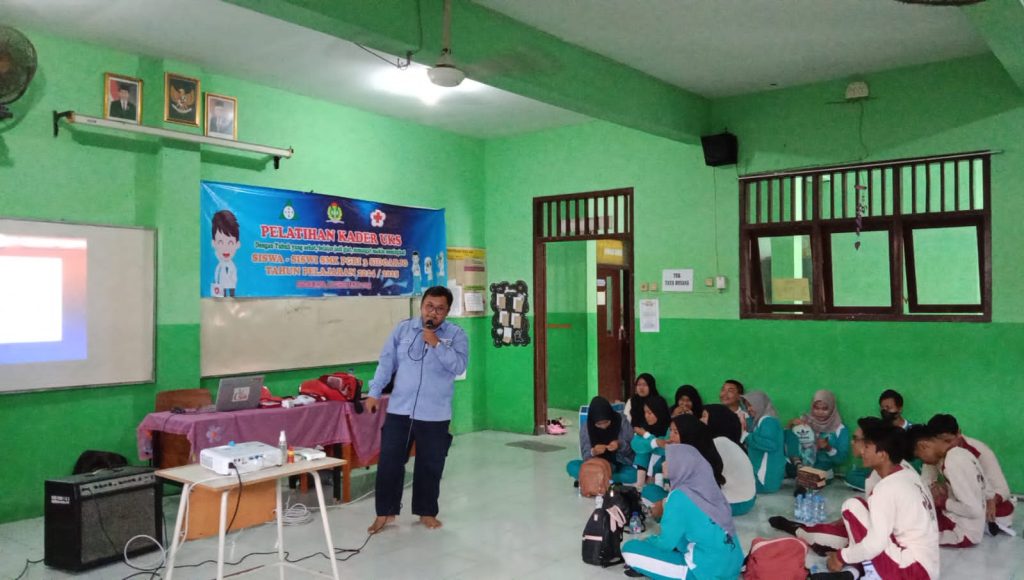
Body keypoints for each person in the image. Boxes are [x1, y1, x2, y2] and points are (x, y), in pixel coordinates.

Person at [364, 286, 469, 533]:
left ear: (447, 311)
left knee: (430, 464)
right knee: (389, 462)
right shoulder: (403, 330)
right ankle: (385, 513)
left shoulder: (456, 335)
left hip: (435, 413)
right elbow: (386, 363)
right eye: (429, 306)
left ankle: (426, 512)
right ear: (421, 306)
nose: (433, 312)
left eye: (440, 309)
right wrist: (374, 392)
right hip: (400, 410)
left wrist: (437, 344)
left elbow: (459, 366)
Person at [809, 418, 939, 580]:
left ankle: (868, 574)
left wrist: (841, 557)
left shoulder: (886, 488)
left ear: (882, 455)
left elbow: (875, 544)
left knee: (851, 506)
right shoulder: (908, 474)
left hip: (910, 571)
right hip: (929, 568)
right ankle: (856, 569)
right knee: (861, 508)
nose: (862, 451)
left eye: (867, 447)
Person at [622, 445, 744, 580]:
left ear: (682, 466)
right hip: (732, 566)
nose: (663, 464)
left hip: (704, 572)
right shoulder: (709, 488)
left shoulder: (679, 496)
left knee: (630, 548)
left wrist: (647, 541)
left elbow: (665, 543)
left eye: (669, 460)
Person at [926, 414, 1014, 535]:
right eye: (939, 442)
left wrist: (991, 500)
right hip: (955, 500)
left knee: (1004, 510)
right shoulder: (934, 450)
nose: (945, 446)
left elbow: (1003, 489)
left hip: (978, 501)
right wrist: (934, 488)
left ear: (959, 433)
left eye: (948, 441)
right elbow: (926, 480)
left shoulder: (980, 450)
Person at [908, 423, 985, 548]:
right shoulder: (959, 452)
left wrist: (943, 503)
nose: (923, 461)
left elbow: (973, 510)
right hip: (970, 524)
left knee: (909, 528)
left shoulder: (952, 462)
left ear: (923, 445)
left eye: (920, 457)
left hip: (962, 532)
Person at [642, 413, 724, 507]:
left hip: (697, 505)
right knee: (650, 491)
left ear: (688, 434)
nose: (671, 436)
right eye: (670, 430)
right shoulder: (689, 451)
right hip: (687, 499)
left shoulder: (693, 458)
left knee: (653, 497)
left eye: (676, 432)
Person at [845, 389, 914, 491]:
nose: (885, 411)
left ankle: (882, 487)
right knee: (852, 475)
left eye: (888, 408)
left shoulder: (912, 430)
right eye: (882, 408)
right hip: (880, 466)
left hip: (900, 468)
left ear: (899, 409)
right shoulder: (880, 427)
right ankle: (879, 486)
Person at [566, 396, 637, 485]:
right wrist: (593, 452)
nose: (603, 426)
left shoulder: (621, 421)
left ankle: (593, 478)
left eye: (606, 422)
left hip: (619, 464)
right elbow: (586, 455)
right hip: (596, 465)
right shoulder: (586, 427)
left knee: (633, 474)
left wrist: (620, 444)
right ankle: (607, 479)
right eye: (599, 424)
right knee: (571, 466)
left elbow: (633, 448)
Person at [785, 389, 851, 482]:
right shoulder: (804, 421)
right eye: (816, 408)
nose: (820, 412)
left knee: (809, 478)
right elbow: (787, 442)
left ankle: (809, 476)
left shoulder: (840, 429)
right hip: (800, 462)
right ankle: (799, 470)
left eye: (825, 409)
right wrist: (790, 425)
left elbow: (841, 458)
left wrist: (828, 448)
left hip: (822, 466)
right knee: (780, 467)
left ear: (832, 408)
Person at [705, 404, 756, 515]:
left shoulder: (719, 443)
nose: (700, 421)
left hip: (734, 503)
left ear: (716, 421)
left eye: (704, 417)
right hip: (748, 500)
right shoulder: (726, 441)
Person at [743, 391, 785, 494]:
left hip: (766, 476)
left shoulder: (768, 421)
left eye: (751, 405)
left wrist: (746, 436)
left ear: (759, 404)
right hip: (763, 474)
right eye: (747, 406)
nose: (748, 409)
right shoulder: (759, 420)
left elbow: (769, 444)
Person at [630, 395, 672, 487]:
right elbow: (635, 444)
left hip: (663, 466)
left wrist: (647, 435)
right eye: (645, 412)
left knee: (649, 452)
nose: (646, 416)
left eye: (649, 413)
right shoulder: (645, 426)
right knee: (642, 453)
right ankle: (640, 482)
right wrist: (655, 443)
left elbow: (665, 448)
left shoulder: (670, 428)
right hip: (647, 465)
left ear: (659, 412)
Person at [211, 209, 240, 297]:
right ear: (214, 243)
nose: (226, 248)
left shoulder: (232, 266)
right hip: (221, 284)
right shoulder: (220, 265)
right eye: (220, 242)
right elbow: (217, 274)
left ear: (237, 244)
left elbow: (234, 276)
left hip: (231, 284)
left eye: (230, 243)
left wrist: (233, 281)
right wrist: (216, 282)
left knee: (232, 295)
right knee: (222, 295)